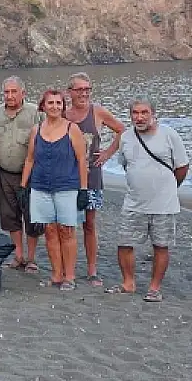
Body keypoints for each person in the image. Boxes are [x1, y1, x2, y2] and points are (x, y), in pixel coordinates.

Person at [107, 99, 189, 301]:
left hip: (164, 204)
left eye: (144, 112)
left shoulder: (169, 134)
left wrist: (169, 187)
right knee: (124, 243)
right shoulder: (126, 137)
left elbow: (182, 167)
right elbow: (127, 165)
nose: (139, 117)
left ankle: (154, 288)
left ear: (154, 114)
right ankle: (128, 283)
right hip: (134, 202)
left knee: (161, 245)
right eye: (135, 113)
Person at [21, 89, 88, 291]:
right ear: (43, 106)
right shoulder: (36, 129)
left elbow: (82, 160)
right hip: (41, 186)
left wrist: (83, 189)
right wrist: (23, 186)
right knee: (49, 231)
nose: (55, 107)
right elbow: (30, 159)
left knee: (67, 231)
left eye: (58, 103)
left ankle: (70, 276)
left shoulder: (72, 129)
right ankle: (56, 274)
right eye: (50, 103)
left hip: (66, 186)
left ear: (63, 106)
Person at [64, 72, 125, 286]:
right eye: (79, 89)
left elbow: (122, 131)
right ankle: (66, 267)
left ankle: (92, 270)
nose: (84, 93)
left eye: (87, 89)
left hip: (91, 176)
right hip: (66, 176)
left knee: (89, 223)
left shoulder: (97, 111)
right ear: (70, 92)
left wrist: (107, 154)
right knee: (66, 222)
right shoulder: (63, 113)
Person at [0, 76, 43, 272]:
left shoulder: (36, 113)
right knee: (9, 215)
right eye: (6, 92)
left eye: (14, 92)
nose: (10, 96)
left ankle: (31, 258)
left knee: (31, 216)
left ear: (23, 93)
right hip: (4, 173)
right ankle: (18, 255)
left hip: (30, 175)